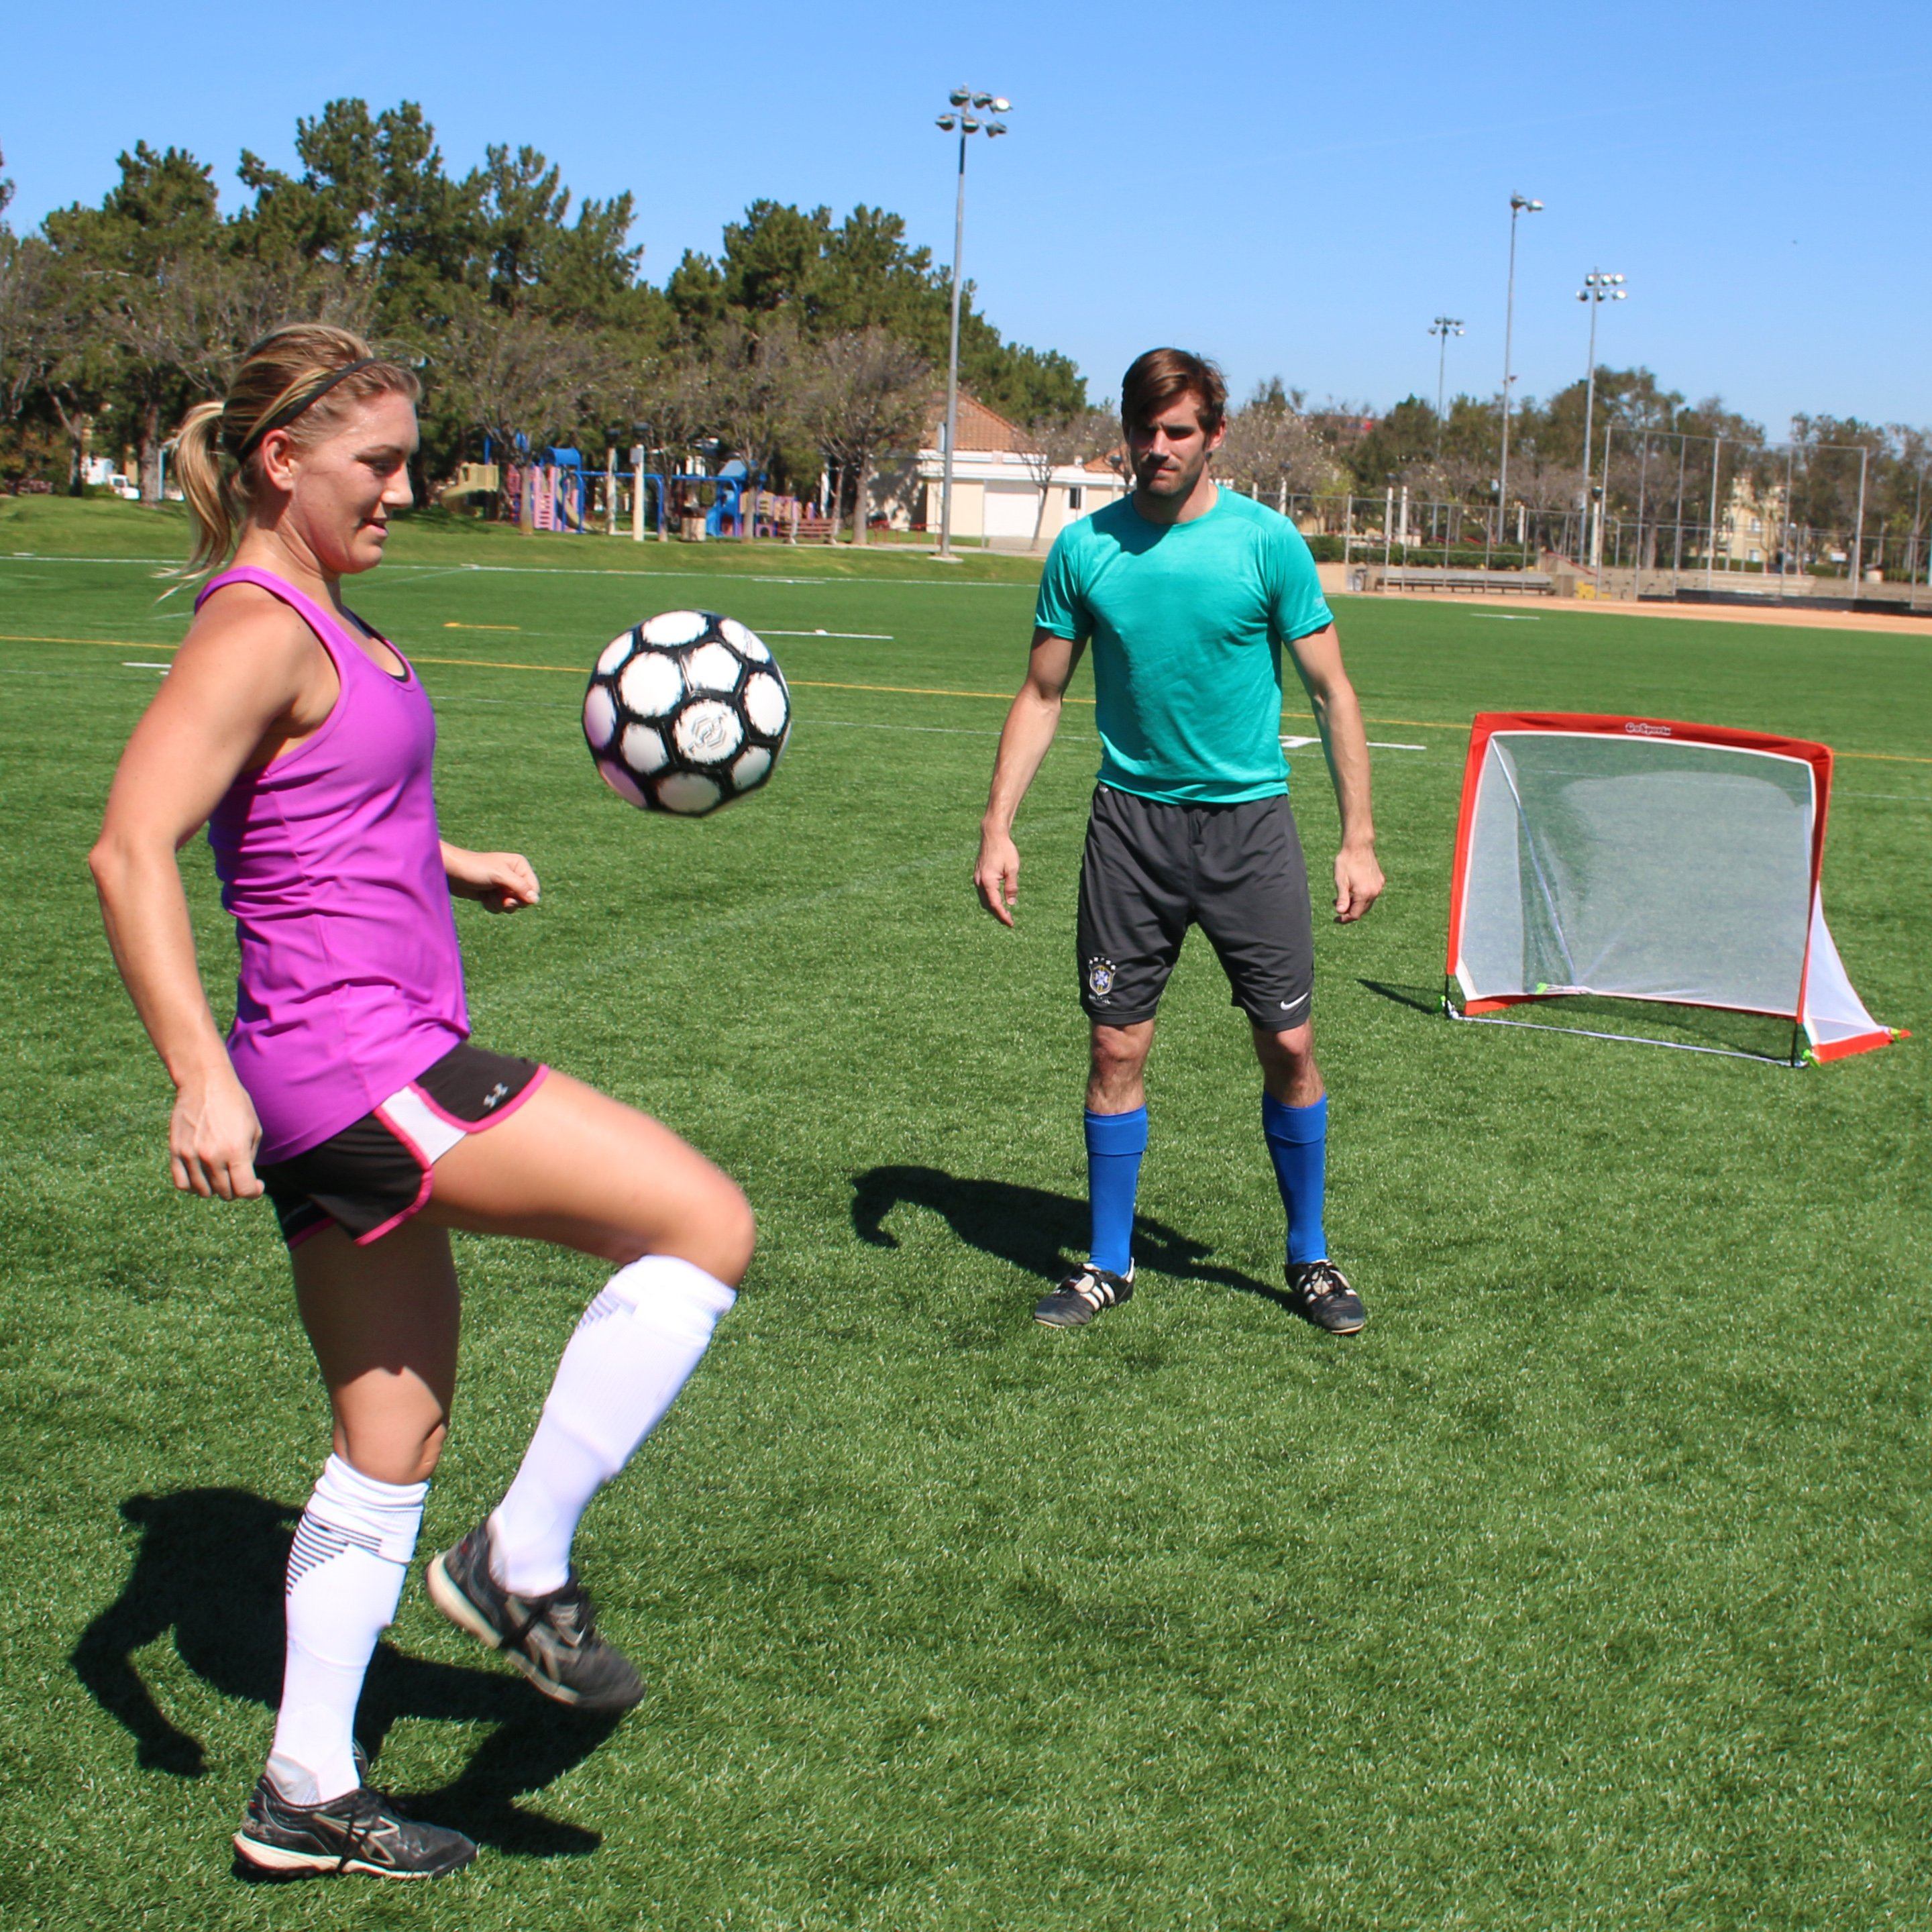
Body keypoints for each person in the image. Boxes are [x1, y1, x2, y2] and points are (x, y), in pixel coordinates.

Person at [89, 325, 755, 1880]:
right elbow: (132, 846)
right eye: (378, 463)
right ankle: (520, 1561)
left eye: (409, 457)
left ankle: (301, 1795)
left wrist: (448, 858)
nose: (407, 487)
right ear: (281, 461)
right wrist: (196, 1075)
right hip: (355, 1065)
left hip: (343, 1069)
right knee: (703, 1225)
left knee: (386, 1440)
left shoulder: (329, 613)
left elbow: (314, 804)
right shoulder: (254, 625)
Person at [973, 348, 1383, 1334]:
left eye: (1179, 433)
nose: (1157, 450)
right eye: (1144, 432)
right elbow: (1041, 693)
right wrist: (998, 827)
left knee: (1287, 1042)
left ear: (1215, 436)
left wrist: (1357, 837)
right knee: (1116, 1044)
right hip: (1131, 831)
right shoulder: (1086, 550)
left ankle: (1310, 1256)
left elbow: (1332, 693)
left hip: (1250, 830)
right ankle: (1108, 1264)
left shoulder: (1267, 543)